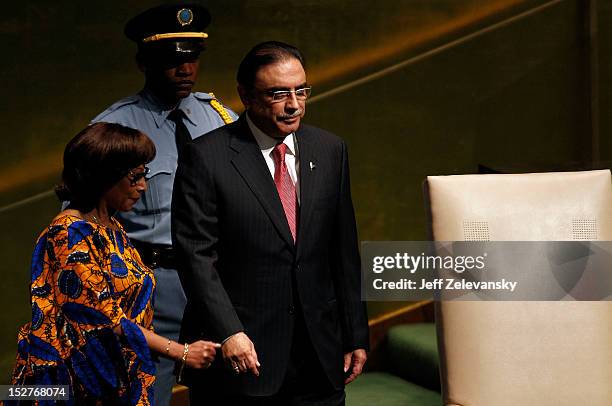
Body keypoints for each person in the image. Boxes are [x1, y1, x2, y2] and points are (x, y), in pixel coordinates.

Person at [172, 41, 369, 405]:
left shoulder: (330, 149)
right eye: (278, 93)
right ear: (245, 95)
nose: (294, 104)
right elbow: (196, 257)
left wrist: (355, 332)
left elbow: (343, 250)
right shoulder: (207, 157)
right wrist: (229, 332)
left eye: (301, 90)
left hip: (319, 354)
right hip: (243, 356)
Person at [11, 122, 219, 405]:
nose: (143, 186)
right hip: (75, 390)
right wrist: (182, 352)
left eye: (143, 174)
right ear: (103, 177)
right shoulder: (69, 234)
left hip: (118, 382)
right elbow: (106, 320)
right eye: (134, 177)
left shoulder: (111, 227)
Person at [90, 3, 237, 404]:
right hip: (152, 284)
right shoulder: (114, 132)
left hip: (217, 282)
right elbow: (84, 226)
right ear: (144, 61)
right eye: (172, 59)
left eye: (192, 58)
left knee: (228, 390)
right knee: (145, 393)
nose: (185, 69)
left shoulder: (219, 119)